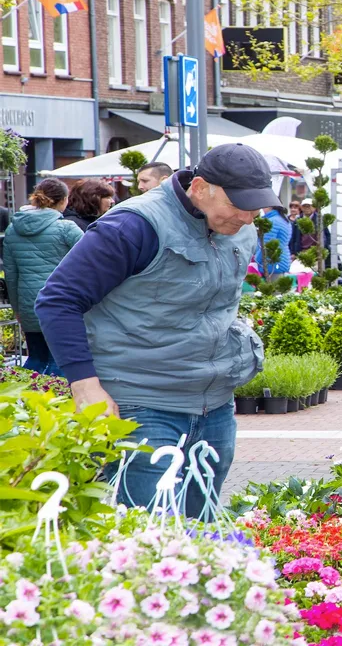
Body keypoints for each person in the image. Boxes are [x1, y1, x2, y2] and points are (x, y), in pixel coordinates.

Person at [34, 143, 278, 519]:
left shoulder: (238, 227)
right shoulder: (133, 225)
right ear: (199, 188)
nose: (249, 217)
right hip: (141, 404)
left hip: (214, 406)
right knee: (150, 538)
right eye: (239, 204)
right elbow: (58, 299)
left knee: (200, 539)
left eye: (256, 206)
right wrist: (85, 386)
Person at [4, 179, 83, 376]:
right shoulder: (67, 228)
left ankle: (20, 398)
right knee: (62, 361)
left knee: (37, 357)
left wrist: (17, 309)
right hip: (62, 302)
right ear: (64, 200)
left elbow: (11, 275)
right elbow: (91, 262)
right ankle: (58, 403)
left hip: (28, 302)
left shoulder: (13, 229)